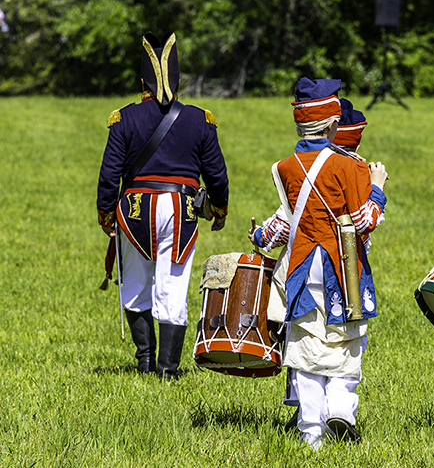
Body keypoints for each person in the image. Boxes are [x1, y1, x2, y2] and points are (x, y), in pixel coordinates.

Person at [249, 78, 388, 449]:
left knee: (306, 351)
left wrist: (259, 238)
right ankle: (341, 408)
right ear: (332, 124)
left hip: (300, 270)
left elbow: (285, 222)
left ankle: (311, 432)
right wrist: (377, 187)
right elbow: (365, 220)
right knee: (347, 342)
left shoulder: (284, 168)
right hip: (342, 271)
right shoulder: (350, 168)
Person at [96, 32, 229, 380]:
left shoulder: (123, 118)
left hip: (135, 209)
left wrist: (106, 212)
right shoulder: (200, 119)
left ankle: (145, 363)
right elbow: (215, 171)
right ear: (179, 80)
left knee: (137, 285)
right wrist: (219, 207)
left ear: (141, 80)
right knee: (172, 285)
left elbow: (110, 172)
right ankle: (168, 372)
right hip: (181, 210)